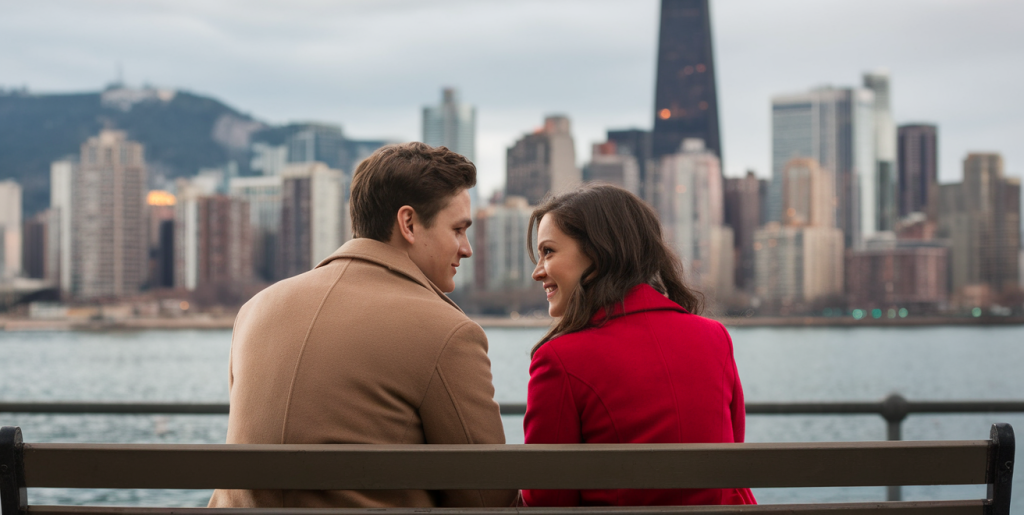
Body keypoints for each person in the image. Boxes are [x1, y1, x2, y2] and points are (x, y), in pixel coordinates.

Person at [209, 142, 515, 509]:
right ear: (409, 223)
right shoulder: (446, 331)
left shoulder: (256, 309)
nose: (466, 248)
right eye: (458, 229)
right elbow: (488, 494)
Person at [522, 183, 756, 507]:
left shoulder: (559, 359)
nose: (537, 272)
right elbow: (730, 455)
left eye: (548, 251)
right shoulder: (714, 336)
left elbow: (547, 498)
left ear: (598, 253)